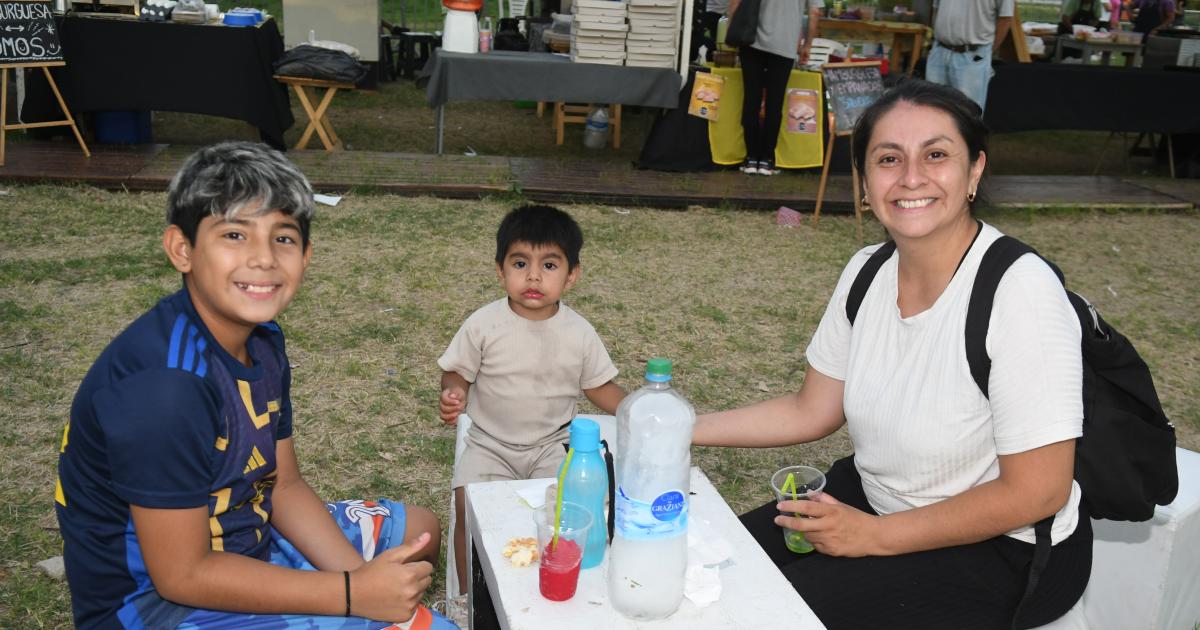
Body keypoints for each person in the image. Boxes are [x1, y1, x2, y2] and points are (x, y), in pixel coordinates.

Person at [692, 79, 1092, 629]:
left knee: (762, 615)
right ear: (863, 180)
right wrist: (678, 425)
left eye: (936, 155)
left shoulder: (1019, 290)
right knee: (709, 570)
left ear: (974, 170)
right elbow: (813, 409)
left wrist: (874, 537)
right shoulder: (867, 270)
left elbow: (1038, 490)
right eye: (888, 158)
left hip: (1002, 548)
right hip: (874, 501)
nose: (910, 178)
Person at [54, 142, 455, 630]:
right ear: (182, 249)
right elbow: (182, 575)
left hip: (248, 534)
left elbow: (282, 483)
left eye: (282, 238)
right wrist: (351, 595)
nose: (263, 258)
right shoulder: (165, 390)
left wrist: (363, 580)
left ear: (306, 255)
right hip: (158, 605)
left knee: (420, 533)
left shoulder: (262, 339)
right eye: (235, 234)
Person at [438, 204, 625, 598]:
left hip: (551, 445)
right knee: (466, 507)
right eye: (520, 263)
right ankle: (466, 597)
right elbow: (457, 371)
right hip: (489, 444)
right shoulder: (483, 324)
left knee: (569, 512)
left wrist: (635, 409)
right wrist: (454, 392)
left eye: (550, 265)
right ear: (500, 270)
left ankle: (546, 585)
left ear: (572, 275)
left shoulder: (579, 332)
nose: (534, 276)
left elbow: (599, 387)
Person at [729, 0, 824, 176]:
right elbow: (814, 13)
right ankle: (767, 159)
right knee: (775, 102)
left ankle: (751, 157)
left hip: (752, 41)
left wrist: (731, 30)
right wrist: (807, 45)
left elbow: (736, 2)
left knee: (751, 98)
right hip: (785, 46)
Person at [926, 0, 1012, 111]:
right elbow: (936, 8)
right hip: (939, 51)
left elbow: (1006, 18)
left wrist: (987, 52)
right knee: (932, 108)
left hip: (973, 55)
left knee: (968, 113)